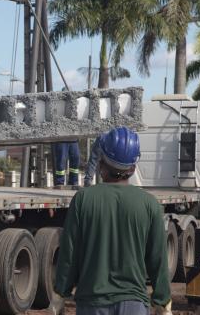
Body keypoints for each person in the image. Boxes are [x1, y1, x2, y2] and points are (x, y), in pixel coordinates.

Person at [46, 127, 172, 315]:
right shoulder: (150, 205)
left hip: (92, 302)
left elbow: (69, 254)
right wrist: (163, 302)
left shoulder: (83, 199)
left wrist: (59, 295)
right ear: (133, 167)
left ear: (101, 163)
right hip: (134, 303)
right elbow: (158, 260)